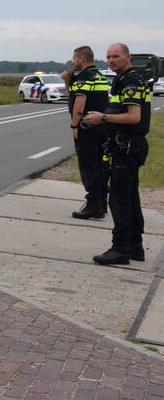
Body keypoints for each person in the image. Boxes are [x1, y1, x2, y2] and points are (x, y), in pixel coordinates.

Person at [83, 43, 151, 265]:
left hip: (128, 147)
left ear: (128, 57)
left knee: (119, 200)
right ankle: (135, 247)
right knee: (130, 198)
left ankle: (120, 249)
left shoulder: (131, 81)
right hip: (126, 146)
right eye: (108, 57)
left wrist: (101, 118)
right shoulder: (124, 79)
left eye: (116, 56)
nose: (111, 60)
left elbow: (133, 117)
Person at [61, 46, 110, 219]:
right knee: (99, 166)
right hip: (101, 126)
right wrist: (68, 82)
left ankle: (93, 206)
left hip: (86, 127)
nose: (73, 61)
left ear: (81, 58)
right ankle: (102, 203)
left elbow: (79, 103)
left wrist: (74, 125)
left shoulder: (84, 77)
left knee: (88, 167)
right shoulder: (99, 75)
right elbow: (74, 94)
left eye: (74, 58)